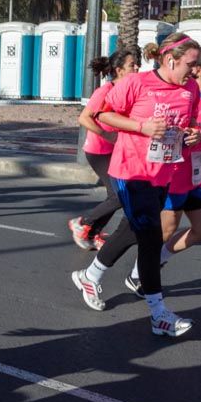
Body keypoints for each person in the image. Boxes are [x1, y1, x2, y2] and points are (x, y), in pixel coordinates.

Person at [72, 32, 200, 336]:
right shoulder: (136, 83)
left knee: (131, 230)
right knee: (151, 239)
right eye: (191, 64)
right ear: (171, 60)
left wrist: (193, 133)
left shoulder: (190, 89)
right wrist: (140, 127)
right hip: (131, 172)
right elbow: (100, 113)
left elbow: (187, 123)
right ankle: (159, 314)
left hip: (163, 172)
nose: (194, 71)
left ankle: (90, 275)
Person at [125, 47, 201, 294]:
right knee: (166, 229)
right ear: (198, 71)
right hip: (176, 172)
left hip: (196, 172)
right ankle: (138, 273)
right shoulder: (185, 93)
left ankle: (157, 260)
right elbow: (171, 133)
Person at [68, 45, 140, 251]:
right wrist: (107, 134)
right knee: (118, 196)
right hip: (98, 150)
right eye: (132, 65)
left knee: (116, 195)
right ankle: (83, 224)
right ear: (119, 71)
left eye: (137, 64)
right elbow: (84, 118)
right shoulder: (105, 90)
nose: (136, 67)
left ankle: (91, 231)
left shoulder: (128, 91)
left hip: (116, 150)